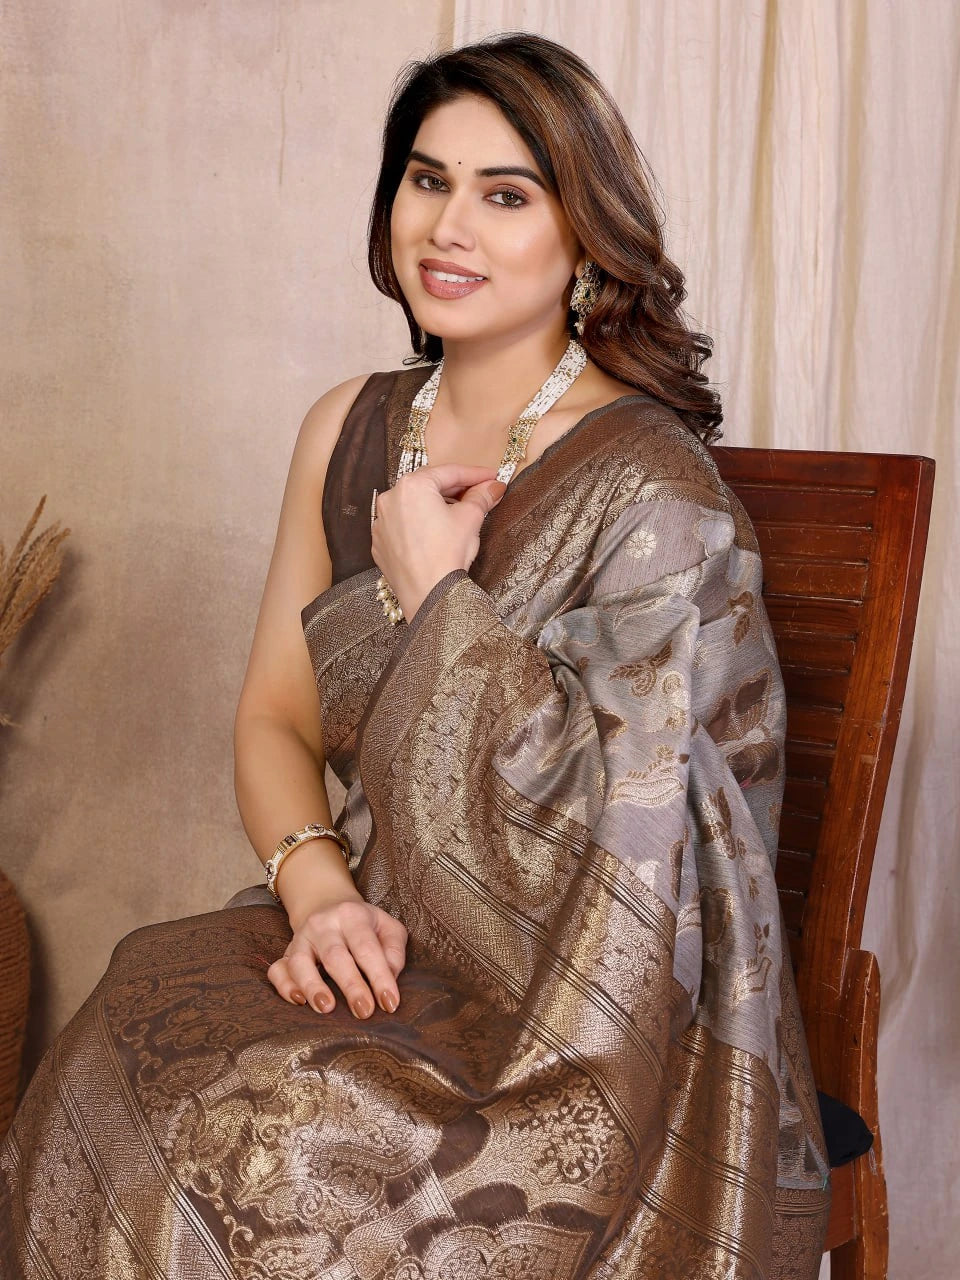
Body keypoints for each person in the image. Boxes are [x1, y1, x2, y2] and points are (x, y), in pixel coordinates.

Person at [0, 31, 831, 1280]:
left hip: (571, 1019)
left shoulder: (657, 488)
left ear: (586, 235)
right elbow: (274, 719)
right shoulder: (350, 428)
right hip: (379, 939)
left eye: (506, 194)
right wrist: (320, 891)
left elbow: (639, 852)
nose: (450, 225)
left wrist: (440, 594)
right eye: (427, 179)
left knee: (266, 1144)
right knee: (122, 1036)